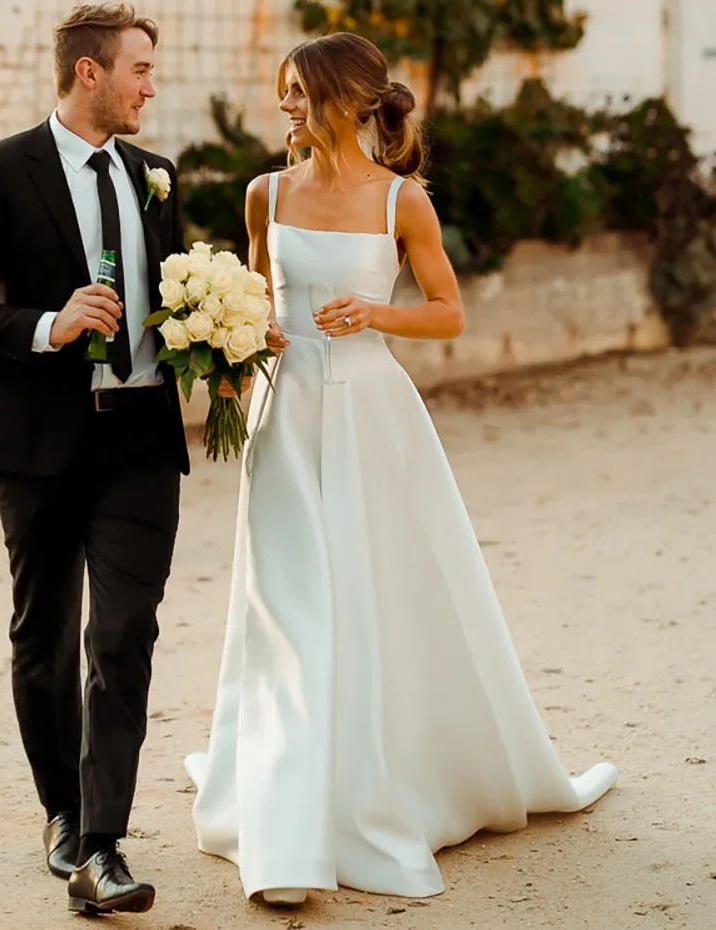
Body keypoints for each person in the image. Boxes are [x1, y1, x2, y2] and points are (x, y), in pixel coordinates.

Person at [184, 31, 618, 907]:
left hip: (374, 419)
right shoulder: (264, 194)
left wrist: (378, 312)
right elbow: (259, 301)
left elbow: (450, 313)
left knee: (379, 599)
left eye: (300, 94)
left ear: (346, 100)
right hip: (286, 420)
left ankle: (387, 790)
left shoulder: (402, 203)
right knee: (289, 611)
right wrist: (244, 343)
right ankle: (288, 835)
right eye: (284, 95)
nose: (287, 110)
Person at [0, 3, 190, 916]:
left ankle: (105, 844)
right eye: (139, 69)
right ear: (90, 72)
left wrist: (220, 344)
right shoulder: (1, 170)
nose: (151, 86)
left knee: (124, 635)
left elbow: (176, 297)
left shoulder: (157, 175)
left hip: (142, 442)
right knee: (44, 633)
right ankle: (63, 815)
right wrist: (47, 325)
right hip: (36, 441)